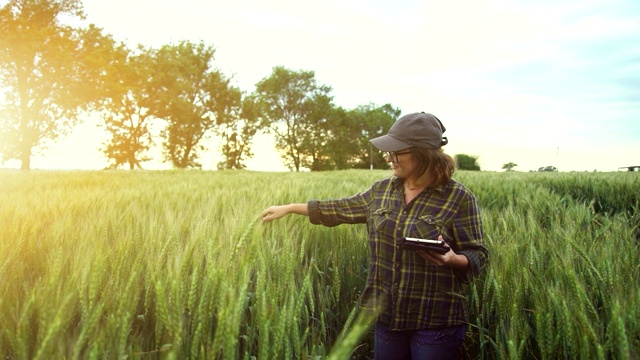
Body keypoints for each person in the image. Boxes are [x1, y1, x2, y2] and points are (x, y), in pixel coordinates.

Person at [261, 112, 488, 360]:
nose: (388, 157)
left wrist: (453, 259)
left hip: (435, 319)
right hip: (387, 315)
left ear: (423, 154)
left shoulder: (458, 197)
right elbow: (339, 209)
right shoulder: (381, 191)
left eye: (396, 151)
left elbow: (478, 254)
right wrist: (291, 208)